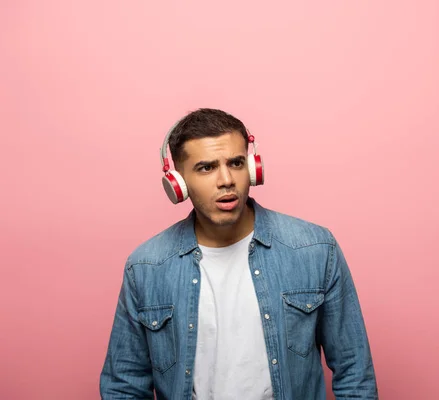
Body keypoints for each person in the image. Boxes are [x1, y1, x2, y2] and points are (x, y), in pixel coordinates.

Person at [99, 108, 378, 399]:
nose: (226, 180)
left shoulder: (315, 249)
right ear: (178, 183)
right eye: (206, 168)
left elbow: (354, 373)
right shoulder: (146, 267)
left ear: (253, 169)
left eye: (236, 163)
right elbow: (124, 385)